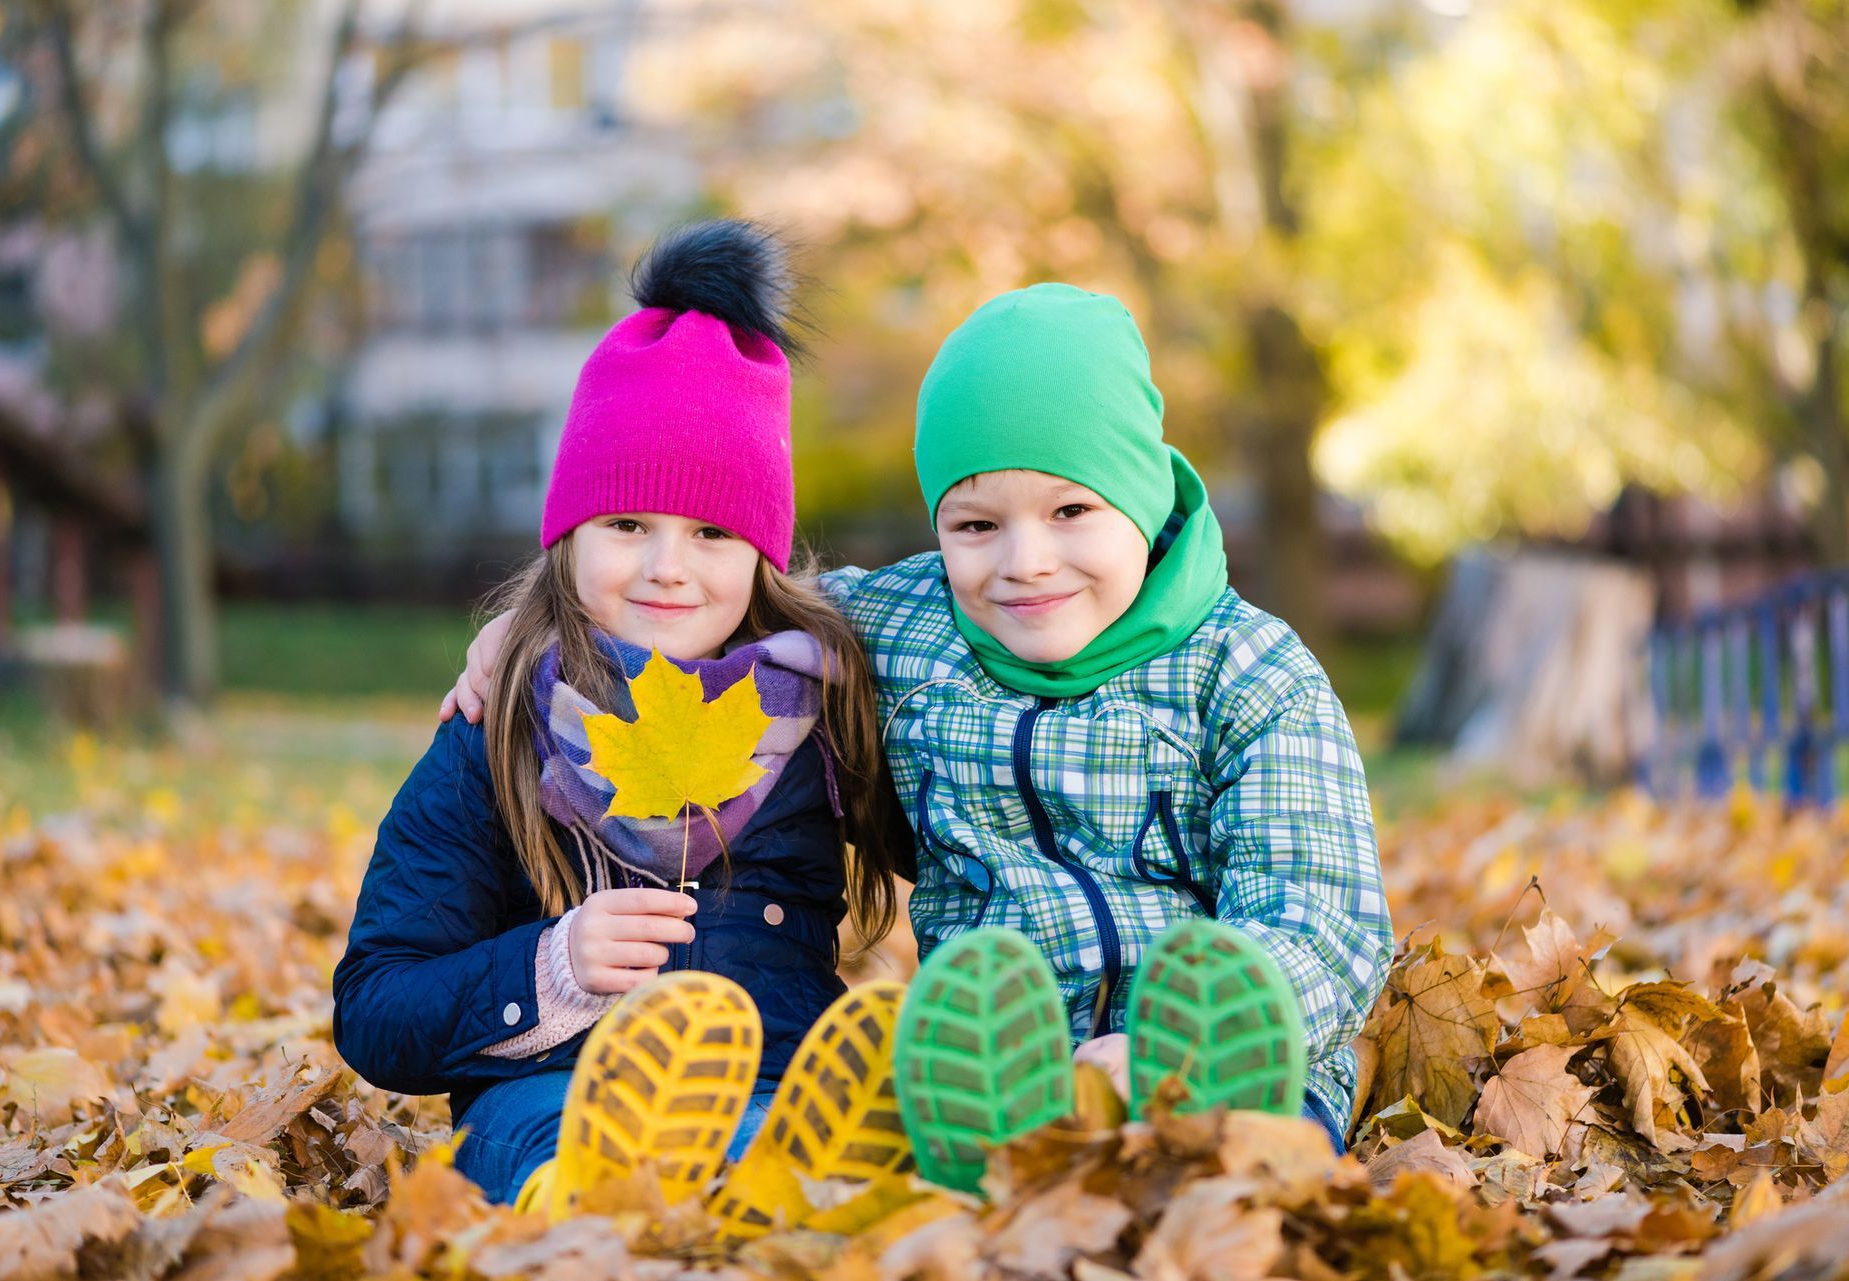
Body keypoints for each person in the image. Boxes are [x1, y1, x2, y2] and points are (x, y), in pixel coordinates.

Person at [443, 283, 1394, 1192]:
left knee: (1225, 1173)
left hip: (1229, 1065)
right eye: (976, 524)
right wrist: (529, 630)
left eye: (1072, 511)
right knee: (970, 1188)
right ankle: (995, 1163)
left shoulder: (1251, 673)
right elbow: (724, 604)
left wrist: (1168, 1052)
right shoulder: (899, 630)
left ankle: (1203, 1124)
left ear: (1141, 499)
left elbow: (1328, 920)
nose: (1026, 562)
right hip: (991, 1066)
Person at [335, 221, 911, 1232]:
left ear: (763, 554)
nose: (666, 569)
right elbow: (377, 1006)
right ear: (568, 535)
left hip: (769, 1088)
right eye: (627, 525)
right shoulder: (499, 726)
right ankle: (598, 1216)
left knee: (776, 1163)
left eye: (713, 534)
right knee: (561, 1158)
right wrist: (545, 969)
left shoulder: (823, 708)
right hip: (551, 1093)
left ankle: (802, 1187)